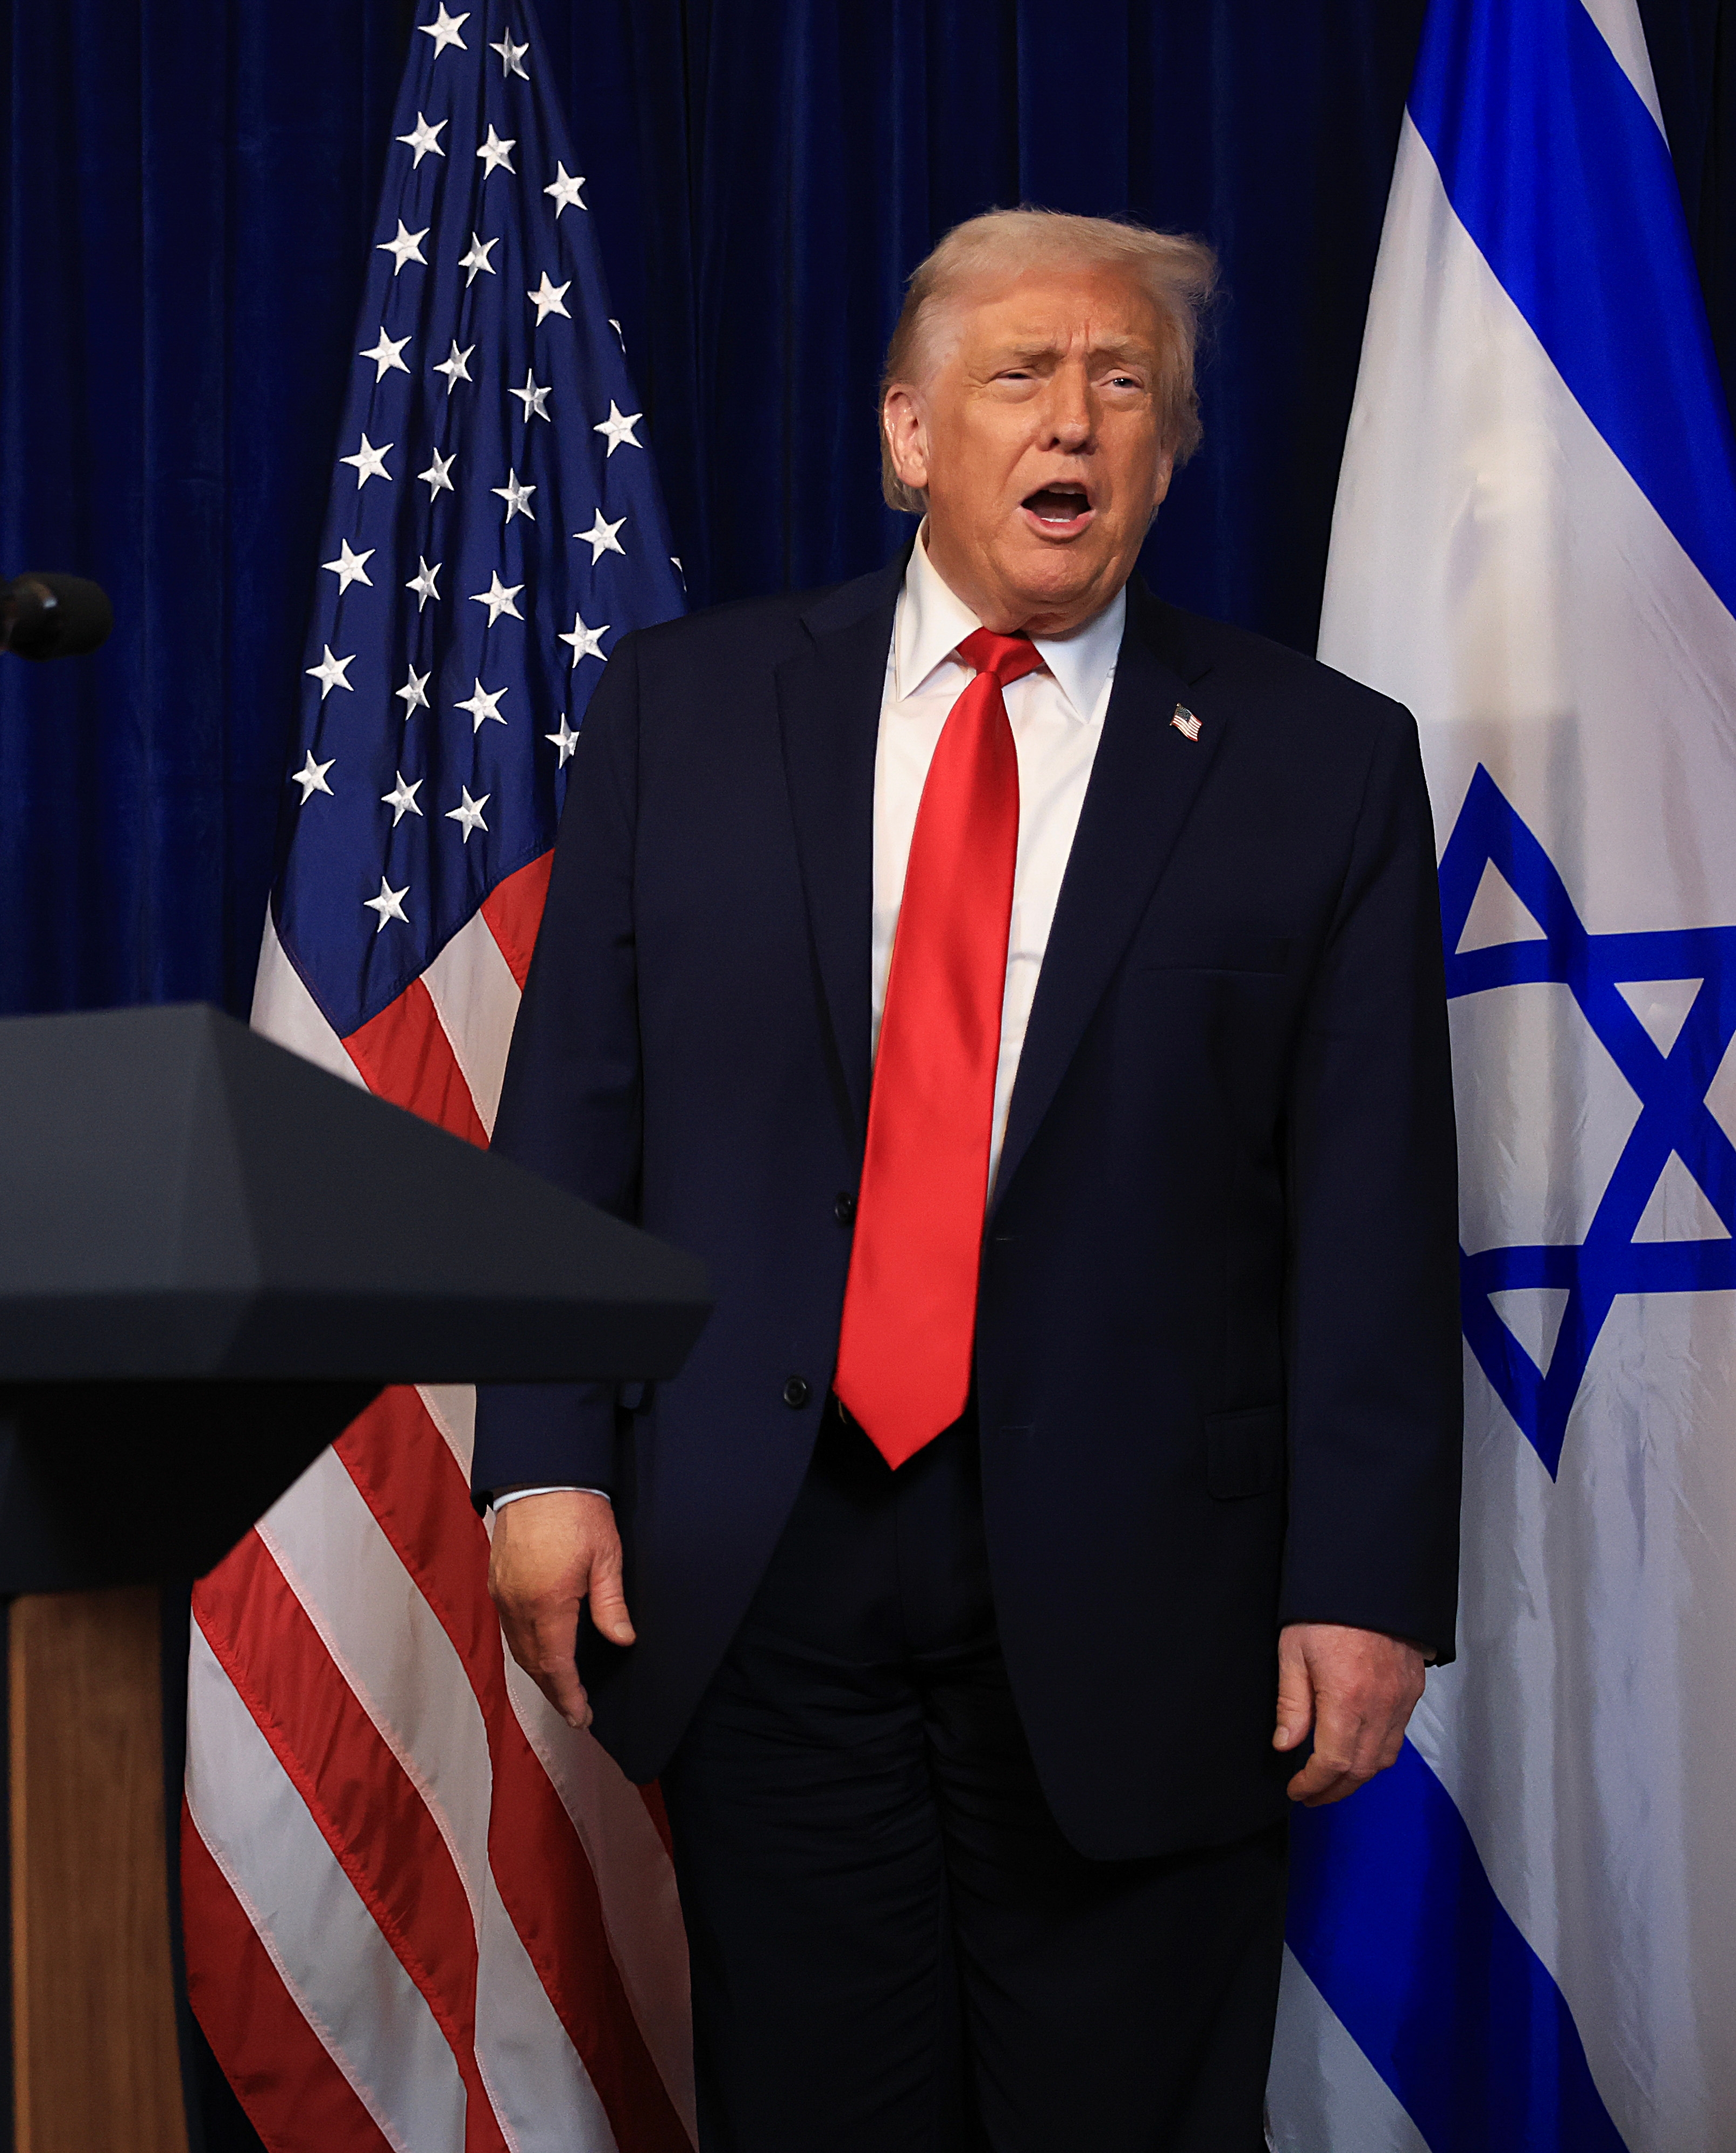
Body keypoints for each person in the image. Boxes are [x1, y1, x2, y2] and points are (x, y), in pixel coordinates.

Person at [480, 210, 1461, 2147]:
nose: (1072, 419)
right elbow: (580, 1113)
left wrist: (1368, 1585)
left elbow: (1371, 1203)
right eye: (1020, 376)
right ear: (911, 437)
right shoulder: (692, 711)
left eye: (1125, 387)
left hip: (1151, 1589)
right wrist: (543, 1456)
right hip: (763, 1559)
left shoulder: (1319, 761)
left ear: (1168, 458)